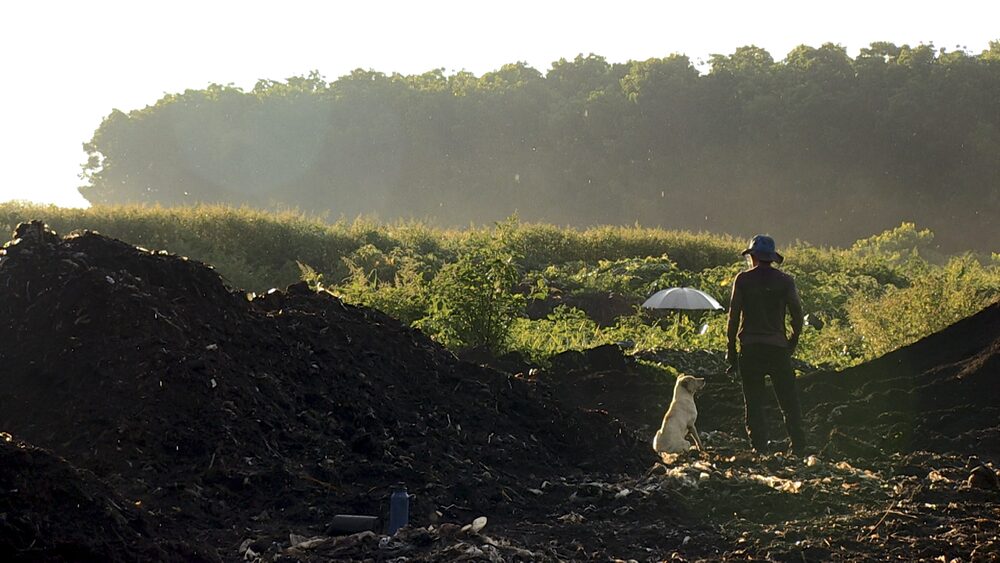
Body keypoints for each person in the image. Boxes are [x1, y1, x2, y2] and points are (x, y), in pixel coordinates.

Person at [726, 235, 806, 455]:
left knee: (754, 402)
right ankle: (799, 447)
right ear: (772, 258)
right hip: (777, 348)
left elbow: (733, 317)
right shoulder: (785, 281)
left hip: (751, 349)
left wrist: (731, 350)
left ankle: (759, 450)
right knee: (789, 401)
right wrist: (792, 340)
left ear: (752, 256)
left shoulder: (742, 280)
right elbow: (797, 314)